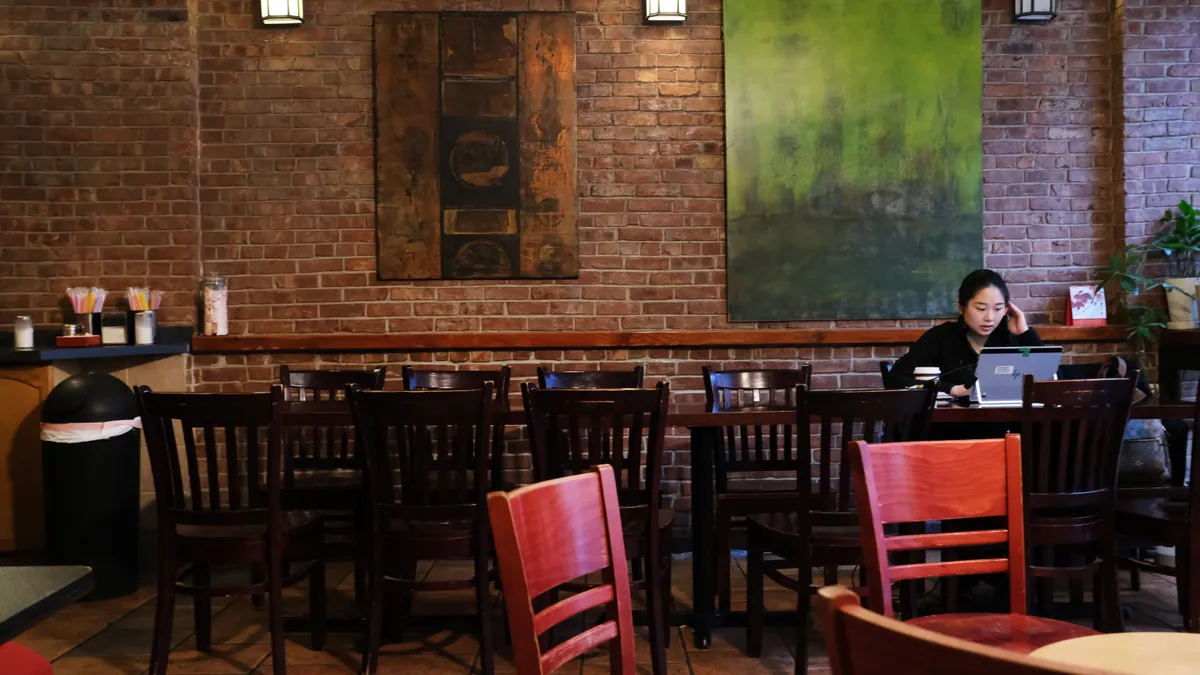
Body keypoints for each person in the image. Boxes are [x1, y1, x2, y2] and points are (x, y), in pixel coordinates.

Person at [890, 269, 1043, 397]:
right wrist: (951, 389)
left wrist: (1025, 334)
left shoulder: (1013, 339)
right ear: (961, 307)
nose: (989, 318)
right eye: (981, 309)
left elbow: (1054, 382)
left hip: (1008, 427)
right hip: (952, 428)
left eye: (997, 309)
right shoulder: (942, 337)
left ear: (1006, 310)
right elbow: (897, 378)